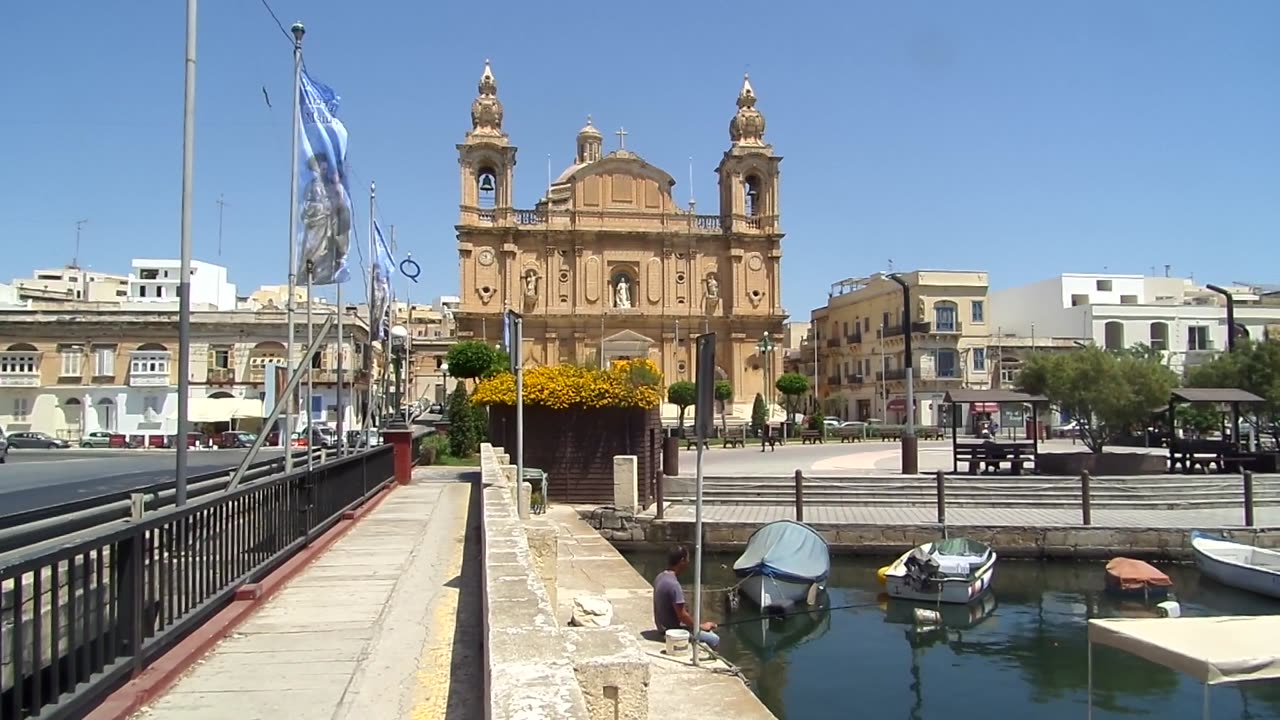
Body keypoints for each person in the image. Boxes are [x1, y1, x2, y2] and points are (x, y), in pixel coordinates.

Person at [652, 545, 719, 648]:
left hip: (662, 628)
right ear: (682, 560)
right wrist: (700, 626)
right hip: (672, 633)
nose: (689, 562)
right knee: (714, 639)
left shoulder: (660, 577)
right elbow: (682, 616)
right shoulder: (674, 585)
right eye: (688, 559)